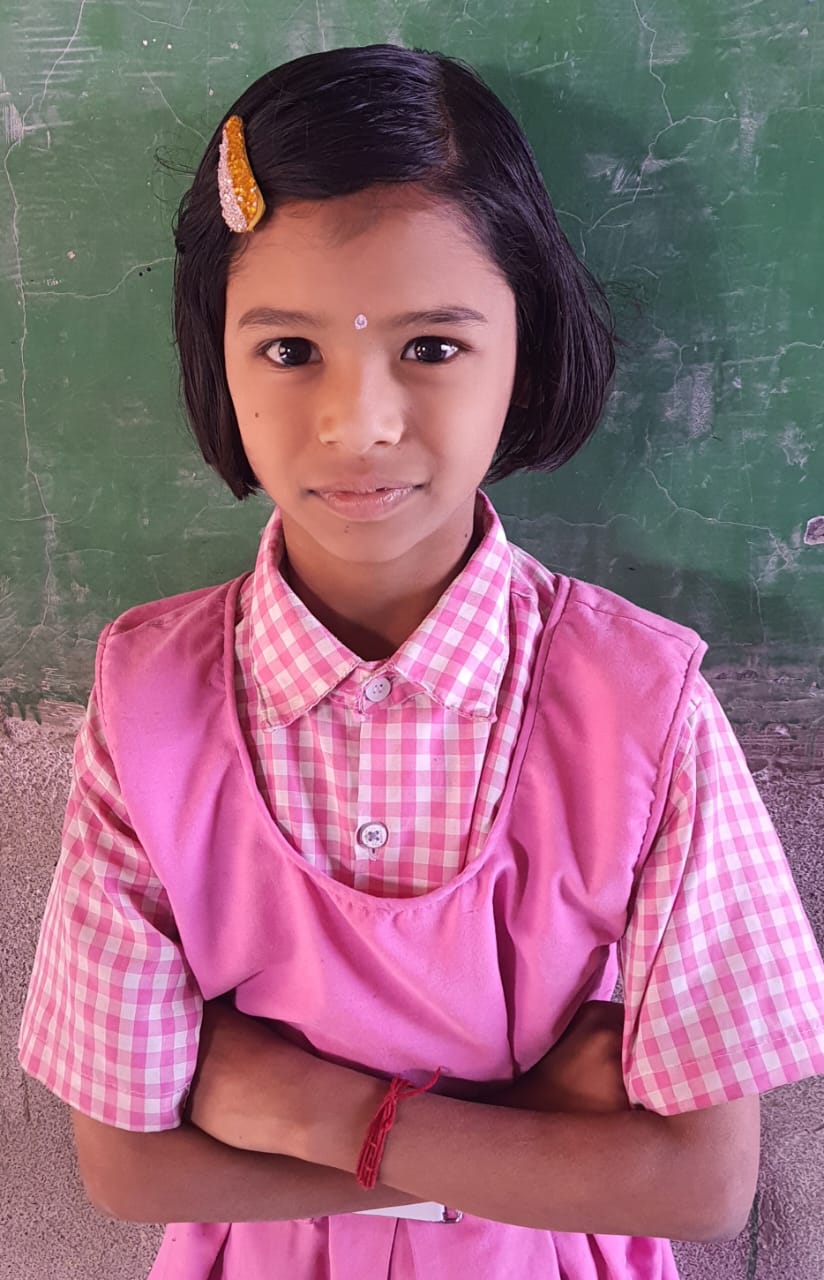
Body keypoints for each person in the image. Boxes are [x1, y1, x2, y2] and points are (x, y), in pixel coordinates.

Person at [18, 42, 824, 1280]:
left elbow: (697, 1183)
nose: (359, 423)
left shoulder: (643, 704)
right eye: (289, 350)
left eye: (431, 347)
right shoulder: (150, 700)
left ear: (524, 346)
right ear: (215, 351)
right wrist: (528, 1134)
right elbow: (131, 1166)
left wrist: (318, 1110)